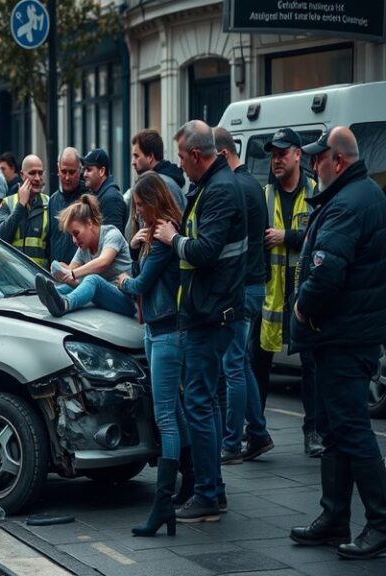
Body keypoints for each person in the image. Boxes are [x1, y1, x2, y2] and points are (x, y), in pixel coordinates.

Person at [289, 127, 386, 559]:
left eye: (318, 158)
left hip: (344, 336)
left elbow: (327, 272)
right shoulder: (356, 195)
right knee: (334, 429)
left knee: (350, 430)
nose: (313, 165)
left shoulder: (348, 203)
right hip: (344, 334)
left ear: (339, 161)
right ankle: (333, 517)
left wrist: (302, 309)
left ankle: (381, 523)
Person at [155, 120, 247, 523]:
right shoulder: (212, 185)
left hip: (211, 315)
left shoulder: (221, 189)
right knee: (202, 402)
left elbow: (206, 250)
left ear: (196, 155)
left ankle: (209, 493)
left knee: (200, 403)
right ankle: (213, 489)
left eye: (181, 157)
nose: (180, 166)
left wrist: (171, 239)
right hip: (207, 311)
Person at [115, 172, 190, 537]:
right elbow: (144, 275)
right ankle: (186, 486)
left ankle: (163, 503)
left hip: (166, 332)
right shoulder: (152, 235)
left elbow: (141, 283)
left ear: (154, 201)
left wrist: (123, 281)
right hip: (155, 330)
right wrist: (132, 249)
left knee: (166, 417)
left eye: (141, 205)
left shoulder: (163, 234)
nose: (138, 212)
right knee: (172, 411)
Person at [256, 128, 321, 457]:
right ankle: (255, 431)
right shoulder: (264, 193)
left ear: (299, 155)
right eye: (273, 153)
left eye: (283, 152)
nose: (276, 159)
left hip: (304, 294)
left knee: (310, 366)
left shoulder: (316, 192)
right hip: (270, 296)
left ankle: (313, 432)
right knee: (259, 365)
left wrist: (287, 236)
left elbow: (319, 236)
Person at [213, 127, 274, 464]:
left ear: (222, 154)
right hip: (255, 283)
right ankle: (260, 433)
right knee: (242, 362)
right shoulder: (253, 185)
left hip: (242, 286)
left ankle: (232, 443)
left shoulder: (234, 186)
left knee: (233, 365)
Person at [35, 194, 135, 318]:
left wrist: (72, 273)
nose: (74, 240)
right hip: (104, 297)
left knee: (92, 279)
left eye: (76, 233)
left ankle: (65, 304)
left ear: (89, 223)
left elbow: (103, 261)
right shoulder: (84, 247)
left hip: (126, 300)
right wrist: (61, 271)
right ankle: (48, 295)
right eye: (71, 235)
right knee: (68, 285)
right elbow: (72, 274)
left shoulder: (112, 234)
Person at [0, 154, 49, 267]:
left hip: (41, 275)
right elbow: (1, 237)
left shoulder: (49, 203)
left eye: (40, 173)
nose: (38, 178)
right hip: (14, 276)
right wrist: (20, 205)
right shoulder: (7, 202)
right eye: (32, 173)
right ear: (22, 175)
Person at [48, 146, 90, 265]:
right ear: (58, 169)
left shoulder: (88, 199)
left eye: (72, 172)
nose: (67, 177)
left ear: (80, 170)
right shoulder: (53, 200)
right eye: (63, 171)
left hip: (80, 274)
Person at [131, 129, 187, 210]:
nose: (133, 162)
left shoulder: (162, 184)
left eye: (136, 156)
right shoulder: (156, 182)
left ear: (150, 157)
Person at [82, 148, 128, 232]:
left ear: (102, 171)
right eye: (84, 169)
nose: (85, 174)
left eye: (89, 170)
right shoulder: (98, 195)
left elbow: (114, 237)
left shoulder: (111, 198)